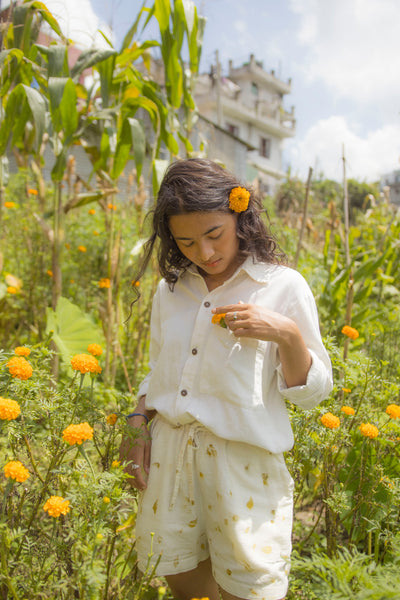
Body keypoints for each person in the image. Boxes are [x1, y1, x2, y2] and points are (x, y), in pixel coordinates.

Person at [120, 158, 332, 600]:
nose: (205, 252)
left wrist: (287, 334)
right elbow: (159, 370)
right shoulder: (171, 290)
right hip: (171, 459)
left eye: (214, 234)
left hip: (242, 464)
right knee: (184, 583)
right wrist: (136, 421)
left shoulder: (282, 286)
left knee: (249, 589)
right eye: (187, 241)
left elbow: (314, 392)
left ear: (240, 214)